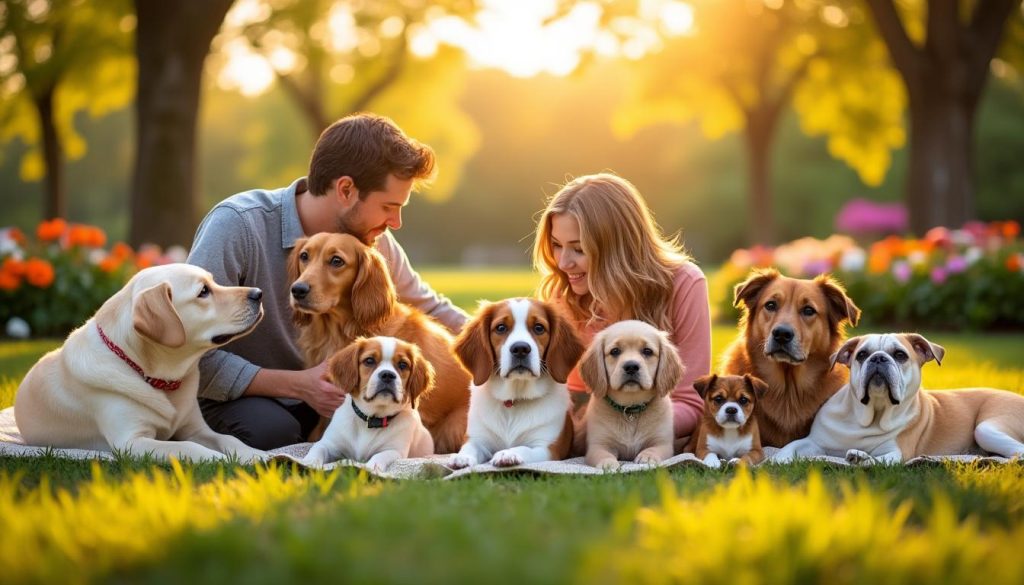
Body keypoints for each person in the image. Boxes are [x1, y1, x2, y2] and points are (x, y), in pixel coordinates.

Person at [187, 113, 469, 450]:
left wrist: (508, 344)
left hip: (325, 399)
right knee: (271, 432)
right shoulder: (238, 226)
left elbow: (428, 304)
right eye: (388, 206)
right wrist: (298, 385)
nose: (396, 222)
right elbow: (191, 351)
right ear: (346, 189)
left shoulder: (370, 240)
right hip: (240, 394)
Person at [532, 172, 710, 443]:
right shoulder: (561, 291)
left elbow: (692, 401)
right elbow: (555, 394)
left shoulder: (684, 283)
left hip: (649, 429)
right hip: (583, 430)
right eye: (557, 246)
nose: (563, 263)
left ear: (617, 249)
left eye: (579, 249)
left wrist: (627, 430)